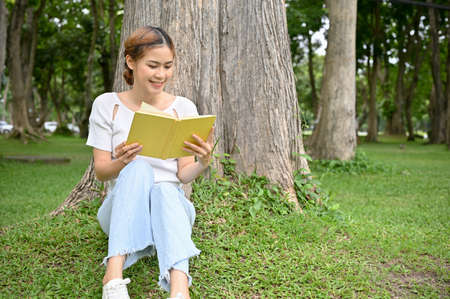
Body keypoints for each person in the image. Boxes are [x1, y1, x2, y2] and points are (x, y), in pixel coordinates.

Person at [86, 26, 214, 299]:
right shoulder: (107, 105)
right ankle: (113, 276)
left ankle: (180, 291)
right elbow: (100, 172)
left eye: (168, 66)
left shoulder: (184, 108)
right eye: (153, 65)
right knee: (139, 168)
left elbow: (183, 175)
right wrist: (122, 161)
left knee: (166, 189)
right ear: (131, 62)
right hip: (122, 211)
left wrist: (203, 161)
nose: (161, 75)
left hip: (171, 211)